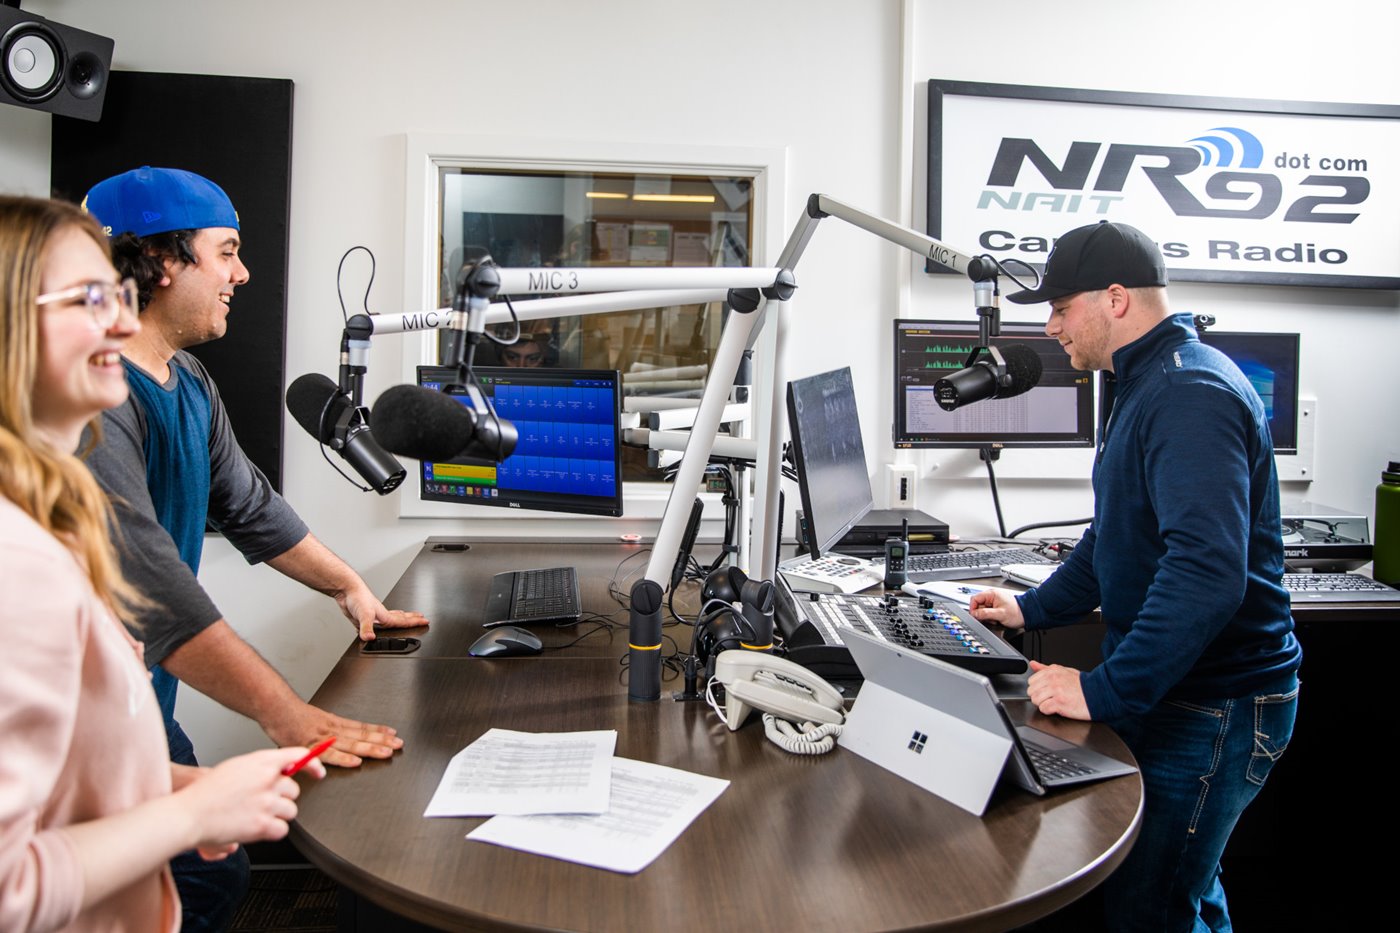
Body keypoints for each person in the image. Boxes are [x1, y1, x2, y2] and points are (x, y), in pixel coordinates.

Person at [79, 166, 426, 930]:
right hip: (75, 708)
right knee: (203, 874)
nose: (243, 272)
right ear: (163, 261)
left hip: (141, 693)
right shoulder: (94, 396)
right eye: (227, 251)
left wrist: (348, 587)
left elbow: (251, 508)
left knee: (197, 874)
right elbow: (152, 582)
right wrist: (285, 713)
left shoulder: (190, 382)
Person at [0, 194, 325, 933]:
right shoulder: (17, 563)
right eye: (91, 298)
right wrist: (193, 807)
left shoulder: (51, 519)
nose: (122, 318)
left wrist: (179, 787)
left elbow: (251, 506)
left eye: (118, 294)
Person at [968, 220, 1301, 932]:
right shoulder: (1144, 381)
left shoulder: (1188, 393)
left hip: (1215, 709)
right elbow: (1115, 533)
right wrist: (1030, 609)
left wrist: (1101, 688)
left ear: (1115, 298)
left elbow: (1206, 573)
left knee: (1149, 907)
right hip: (1185, 697)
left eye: (1061, 307)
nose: (1052, 326)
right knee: (1187, 886)